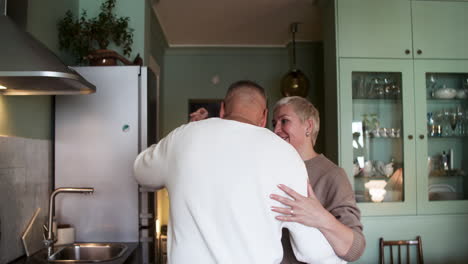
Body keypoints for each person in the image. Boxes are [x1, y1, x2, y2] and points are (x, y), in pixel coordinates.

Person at [133, 81, 344, 263]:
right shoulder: (288, 156)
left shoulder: (182, 137)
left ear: (223, 109)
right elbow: (312, 251)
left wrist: (181, 139)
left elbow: (141, 172)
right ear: (264, 117)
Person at [270, 96, 366, 263]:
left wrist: (320, 216)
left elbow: (354, 249)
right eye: (274, 123)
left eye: (284, 121)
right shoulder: (270, 170)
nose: (276, 130)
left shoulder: (332, 175)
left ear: (308, 126)